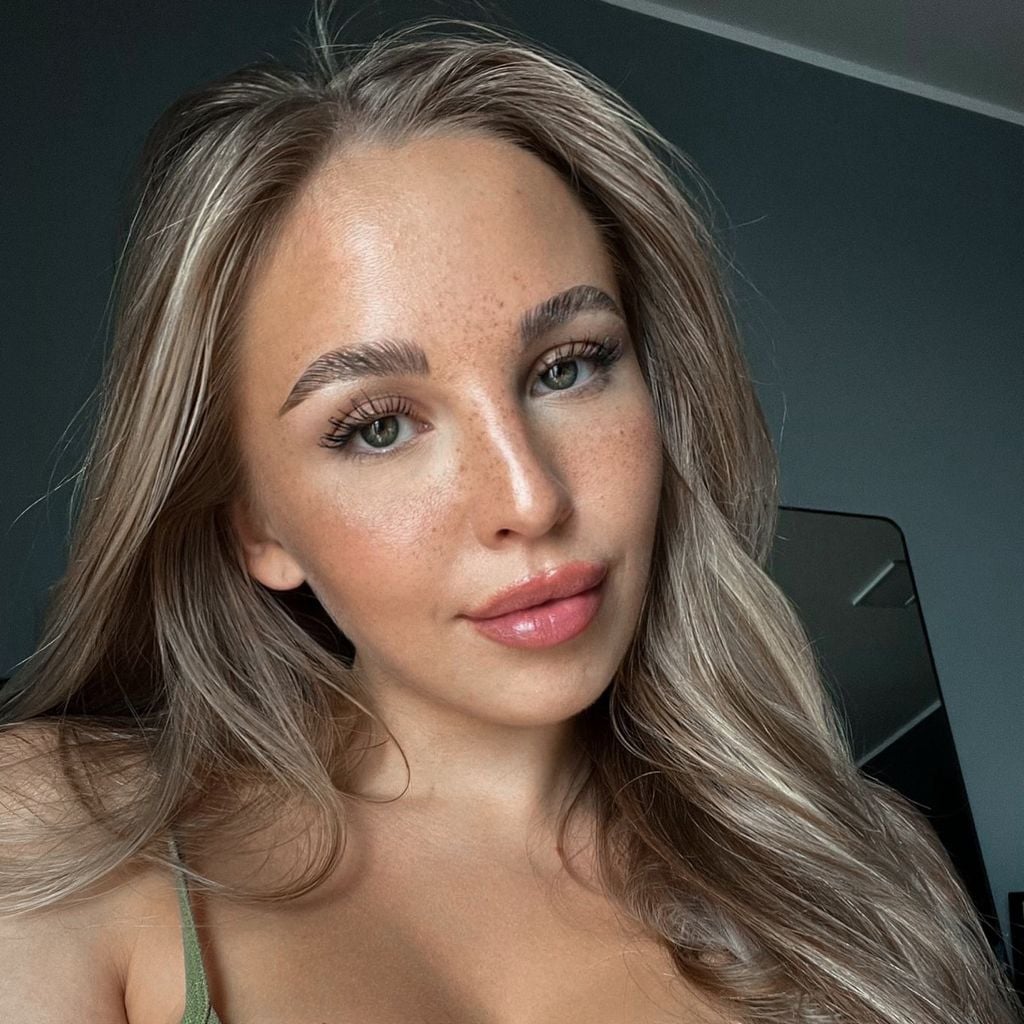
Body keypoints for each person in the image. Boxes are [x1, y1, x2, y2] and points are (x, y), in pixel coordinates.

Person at [1, 5, 1020, 1023]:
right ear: (255, 528)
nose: (529, 500)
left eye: (567, 367)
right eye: (377, 427)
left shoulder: (872, 874)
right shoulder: (57, 837)